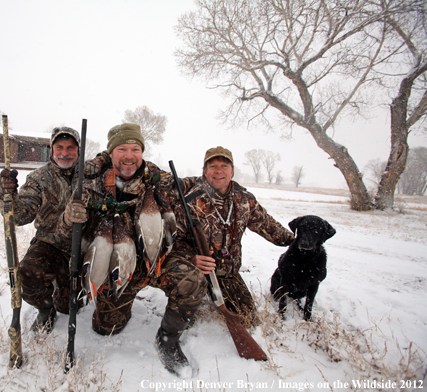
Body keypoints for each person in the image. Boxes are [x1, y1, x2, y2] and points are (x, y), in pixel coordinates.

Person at [58, 123, 207, 376]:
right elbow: (65, 237)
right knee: (107, 328)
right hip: (118, 265)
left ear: (142, 151)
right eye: (121, 149)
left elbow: (191, 190)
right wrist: (67, 218)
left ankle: (168, 339)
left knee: (192, 279)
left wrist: (217, 173)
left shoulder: (157, 178)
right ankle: (116, 300)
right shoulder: (90, 183)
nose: (129, 155)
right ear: (111, 153)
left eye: (135, 148)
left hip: (156, 261)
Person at [174, 146, 294, 327]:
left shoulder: (244, 199)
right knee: (185, 316)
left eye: (224, 165)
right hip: (197, 270)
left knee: (248, 318)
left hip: (227, 272)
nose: (218, 171)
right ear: (205, 171)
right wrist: (191, 258)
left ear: (232, 171)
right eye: (212, 166)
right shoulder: (191, 200)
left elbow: (268, 226)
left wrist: (296, 240)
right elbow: (172, 240)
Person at [0, 126, 82, 333]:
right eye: (59, 147)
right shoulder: (38, 178)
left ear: (79, 150)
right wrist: (4, 192)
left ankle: (67, 291)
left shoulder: (90, 174)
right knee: (28, 273)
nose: (64, 153)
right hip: (49, 243)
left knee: (69, 306)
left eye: (71, 147)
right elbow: (19, 215)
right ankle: (45, 308)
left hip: (83, 245)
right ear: (51, 149)